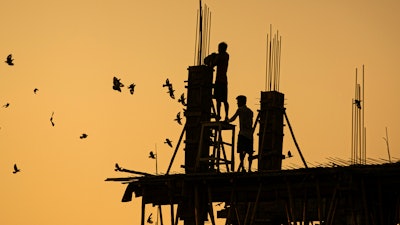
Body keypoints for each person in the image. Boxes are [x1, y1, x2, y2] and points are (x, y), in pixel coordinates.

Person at [228, 95, 254, 172]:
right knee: (250, 152)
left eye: (238, 101)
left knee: (241, 151)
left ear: (242, 102)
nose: (237, 103)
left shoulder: (240, 110)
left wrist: (227, 121)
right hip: (250, 135)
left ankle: (242, 167)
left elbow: (233, 118)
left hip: (242, 134)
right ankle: (249, 168)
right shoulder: (250, 111)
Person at [204, 42, 229, 121]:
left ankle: (218, 115)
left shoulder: (220, 56)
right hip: (224, 80)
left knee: (218, 100)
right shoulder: (227, 55)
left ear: (221, 48)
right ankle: (226, 116)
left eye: (219, 48)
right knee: (224, 100)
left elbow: (212, 65)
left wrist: (212, 57)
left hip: (219, 80)